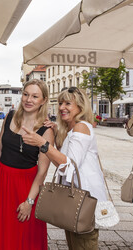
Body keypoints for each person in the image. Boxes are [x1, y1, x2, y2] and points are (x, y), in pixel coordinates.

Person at [22, 86, 107, 250]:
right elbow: (63, 159)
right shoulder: (73, 128)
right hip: (75, 199)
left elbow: (69, 165)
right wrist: (56, 133)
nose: (61, 107)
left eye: (68, 103)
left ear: (80, 107)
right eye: (61, 103)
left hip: (84, 200)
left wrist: (42, 143)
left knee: (84, 244)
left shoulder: (82, 127)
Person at [0, 79, 54, 250]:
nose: (28, 100)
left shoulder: (46, 131)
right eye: (25, 94)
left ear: (43, 100)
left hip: (26, 187)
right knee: (2, 231)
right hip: (3, 183)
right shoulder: (10, 116)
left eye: (34, 96)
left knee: (24, 235)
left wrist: (29, 202)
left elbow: (43, 171)